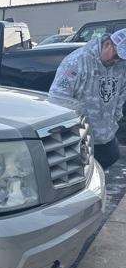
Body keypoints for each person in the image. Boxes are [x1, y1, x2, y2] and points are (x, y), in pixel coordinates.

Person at [49, 28, 126, 168]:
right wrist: (83, 116)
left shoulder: (120, 66)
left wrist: (115, 118)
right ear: (108, 43)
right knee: (83, 172)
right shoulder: (77, 61)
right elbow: (57, 97)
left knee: (111, 157)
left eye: (122, 58)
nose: (117, 61)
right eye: (116, 56)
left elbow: (121, 93)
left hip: (106, 134)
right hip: (80, 135)